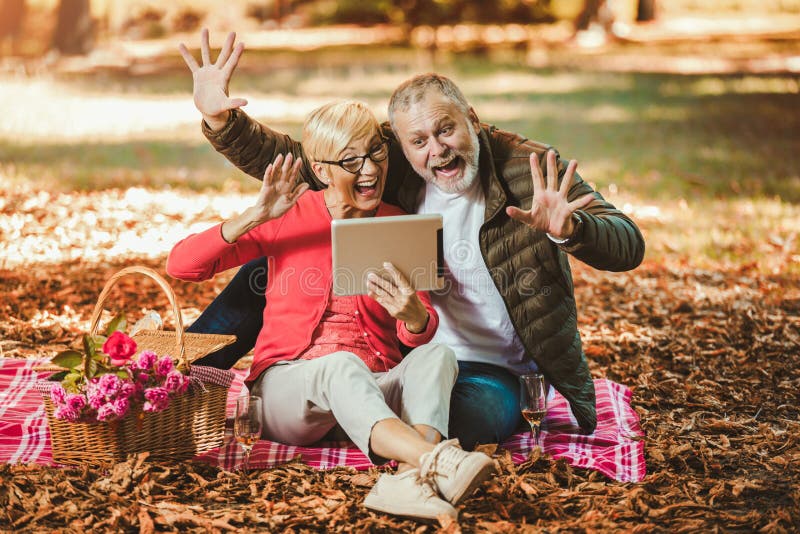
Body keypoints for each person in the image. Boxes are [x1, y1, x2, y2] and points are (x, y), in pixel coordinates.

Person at [178, 30, 645, 450]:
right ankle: (177, 377)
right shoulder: (387, 165)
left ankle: (391, 442)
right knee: (278, 262)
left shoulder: (532, 172)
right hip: (402, 356)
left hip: (485, 368)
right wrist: (222, 121)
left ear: (472, 119)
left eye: (446, 129)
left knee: (469, 419)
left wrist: (571, 231)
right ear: (399, 145)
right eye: (417, 140)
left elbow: (629, 243)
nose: (436, 149)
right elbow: (306, 157)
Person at [166, 99, 495, 521]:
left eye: (376, 153)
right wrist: (254, 215)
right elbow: (182, 265)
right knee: (340, 365)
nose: (371, 170)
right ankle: (437, 460)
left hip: (370, 394)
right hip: (288, 394)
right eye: (352, 161)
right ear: (321, 170)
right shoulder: (286, 215)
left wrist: (412, 314)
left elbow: (422, 328)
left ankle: (411, 481)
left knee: (439, 355)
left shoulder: (399, 221)